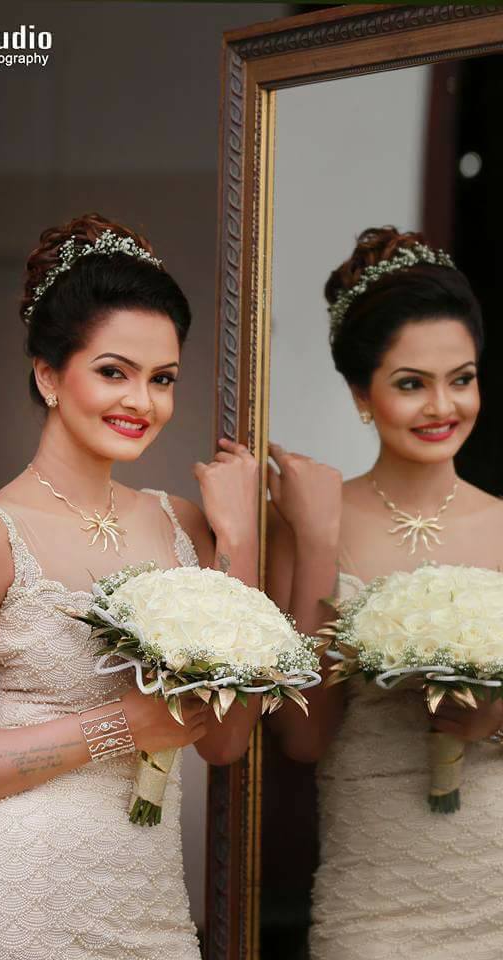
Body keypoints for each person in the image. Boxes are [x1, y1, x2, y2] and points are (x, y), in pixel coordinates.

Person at [0, 213, 260, 960]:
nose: (142, 402)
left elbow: (225, 741)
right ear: (49, 375)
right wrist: (121, 727)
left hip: (149, 912)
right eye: (114, 371)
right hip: (8, 902)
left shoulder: (182, 526)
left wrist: (241, 541)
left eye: (162, 379)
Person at [266, 227, 503, 959]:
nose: (442, 405)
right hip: (375, 904)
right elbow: (303, 739)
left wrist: (494, 720)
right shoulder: (308, 519)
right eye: (411, 383)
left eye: (461, 378)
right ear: (359, 393)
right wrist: (317, 540)